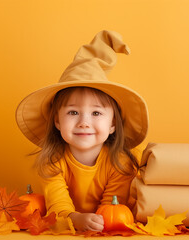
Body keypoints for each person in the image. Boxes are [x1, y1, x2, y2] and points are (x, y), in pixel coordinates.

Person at [15, 30, 148, 232]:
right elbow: (58, 205)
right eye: (73, 112)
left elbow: (111, 209)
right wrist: (74, 218)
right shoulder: (52, 161)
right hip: (71, 225)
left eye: (96, 113)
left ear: (113, 125)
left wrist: (94, 221)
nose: (84, 123)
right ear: (57, 121)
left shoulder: (121, 163)